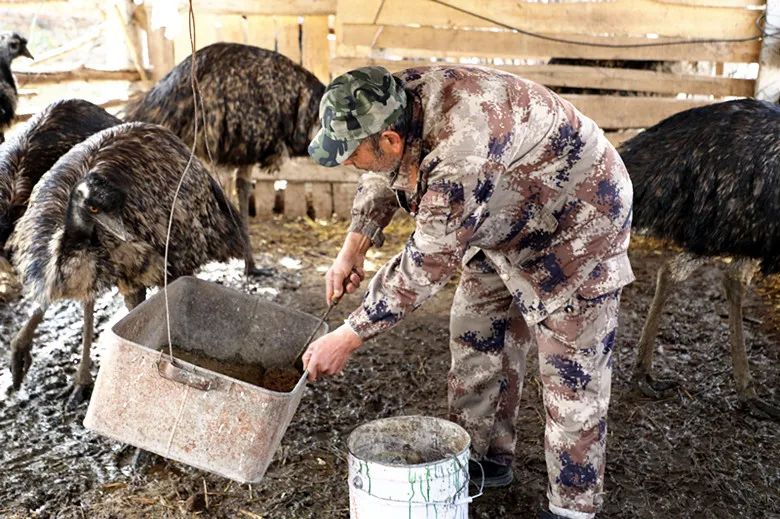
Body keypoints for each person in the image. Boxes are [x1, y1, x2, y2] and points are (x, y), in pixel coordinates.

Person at [303, 65, 633, 519]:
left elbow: (427, 264)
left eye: (349, 153)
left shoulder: (460, 154)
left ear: (391, 139)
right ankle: (485, 460)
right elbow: (382, 170)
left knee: (570, 380)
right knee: (476, 332)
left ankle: (572, 508)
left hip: (577, 221)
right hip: (500, 211)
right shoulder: (387, 99)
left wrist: (348, 334)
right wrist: (353, 245)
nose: (344, 163)